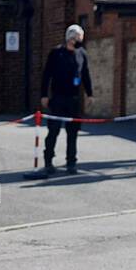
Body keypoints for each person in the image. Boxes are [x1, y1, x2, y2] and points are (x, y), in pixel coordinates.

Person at [38, 24, 92, 174]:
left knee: (73, 132)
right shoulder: (56, 53)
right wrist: (44, 94)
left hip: (74, 99)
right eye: (79, 38)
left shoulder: (82, 53)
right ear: (71, 38)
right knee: (53, 130)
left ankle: (71, 162)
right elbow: (46, 75)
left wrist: (89, 93)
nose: (81, 41)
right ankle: (48, 161)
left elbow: (86, 74)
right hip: (58, 98)